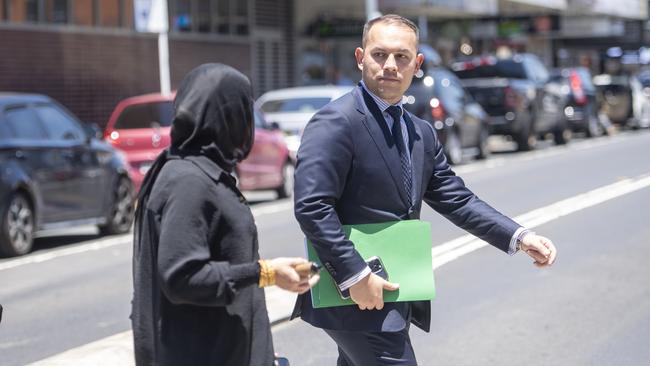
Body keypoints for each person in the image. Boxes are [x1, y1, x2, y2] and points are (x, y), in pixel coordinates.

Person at [291, 14, 557, 365]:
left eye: (402, 57)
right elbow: (312, 206)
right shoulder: (335, 122)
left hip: (395, 291)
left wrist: (520, 237)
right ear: (360, 58)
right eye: (379, 54)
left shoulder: (420, 132)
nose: (390, 65)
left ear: (417, 64)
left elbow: (456, 199)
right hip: (351, 294)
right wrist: (355, 274)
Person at [131, 63, 319, 366]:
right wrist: (266, 272)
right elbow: (182, 276)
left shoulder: (192, 170)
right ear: (229, 117)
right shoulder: (189, 181)